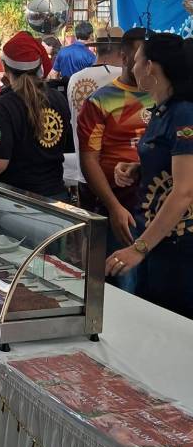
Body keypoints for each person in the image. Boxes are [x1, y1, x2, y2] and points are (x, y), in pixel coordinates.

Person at [106, 33, 193, 319]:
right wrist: (139, 168)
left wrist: (139, 248)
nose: (132, 67)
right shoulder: (161, 110)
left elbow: (185, 191)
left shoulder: (184, 115)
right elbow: (171, 161)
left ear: (150, 67)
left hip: (177, 248)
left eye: (137, 60)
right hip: (154, 239)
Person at [77, 28, 152, 293]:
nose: (146, 65)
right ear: (125, 56)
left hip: (157, 210)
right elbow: (89, 160)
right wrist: (113, 206)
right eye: (140, 57)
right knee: (124, 286)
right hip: (121, 210)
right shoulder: (100, 101)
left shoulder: (164, 97)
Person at [0, 31, 71, 199]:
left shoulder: (4, 106)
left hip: (16, 202)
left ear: (5, 67)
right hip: (55, 198)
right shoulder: (58, 99)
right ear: (38, 66)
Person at [66, 26, 124, 183]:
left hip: (85, 171)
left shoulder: (75, 79)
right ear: (121, 51)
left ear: (97, 48)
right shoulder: (122, 77)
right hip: (119, 173)